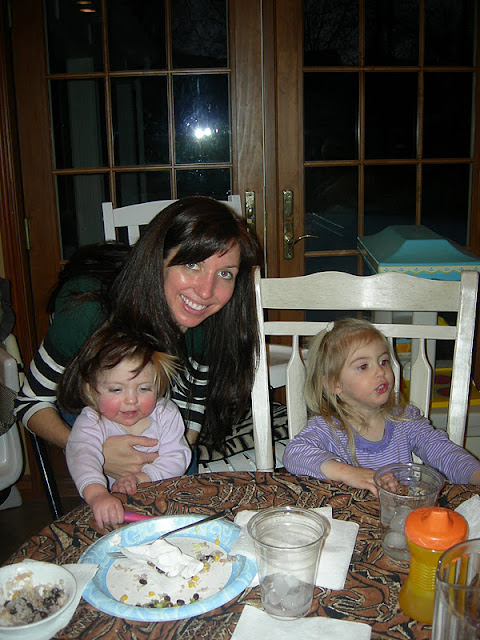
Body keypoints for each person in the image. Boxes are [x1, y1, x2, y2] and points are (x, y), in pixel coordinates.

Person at [15, 196, 262, 479]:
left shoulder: (208, 323)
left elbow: (191, 412)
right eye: (192, 265)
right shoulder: (87, 313)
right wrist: (90, 451)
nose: (206, 291)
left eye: (225, 273)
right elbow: (30, 402)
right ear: (158, 260)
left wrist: (166, 461)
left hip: (158, 415)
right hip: (89, 409)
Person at [282, 318, 480, 495]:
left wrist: (475, 474)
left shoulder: (406, 420)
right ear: (334, 384)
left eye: (383, 361)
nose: (381, 371)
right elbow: (294, 454)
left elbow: (443, 452)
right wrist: (349, 473)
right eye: (363, 366)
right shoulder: (328, 428)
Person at [60, 328, 191, 528]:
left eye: (144, 388)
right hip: (109, 504)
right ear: (92, 391)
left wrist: (142, 478)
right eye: (116, 389)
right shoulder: (92, 421)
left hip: (164, 499)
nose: (131, 400)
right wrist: (97, 494)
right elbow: (82, 455)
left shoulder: (166, 413)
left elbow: (177, 457)